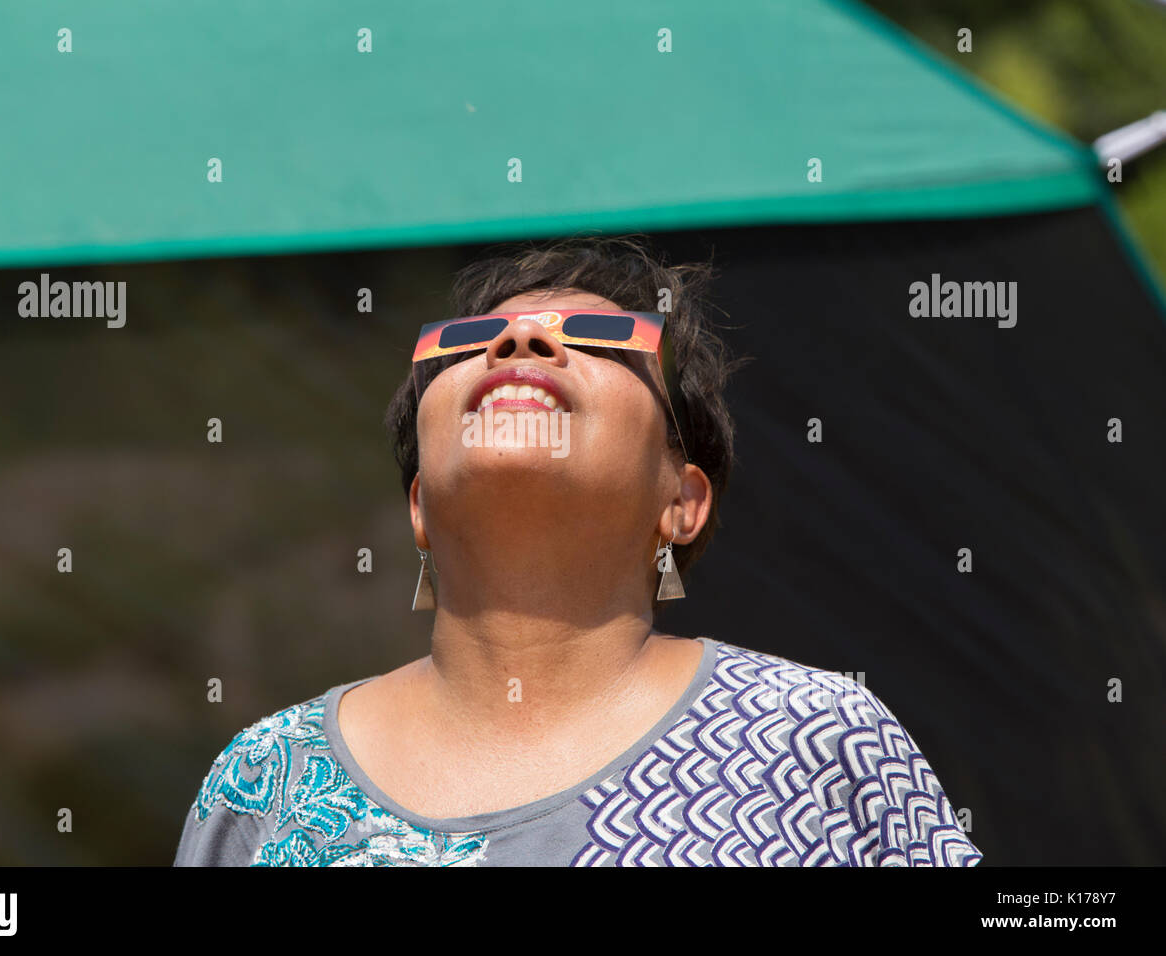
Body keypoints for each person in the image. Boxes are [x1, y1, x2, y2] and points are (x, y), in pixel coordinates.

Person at [174, 235, 983, 867]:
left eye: (600, 337)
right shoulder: (263, 783)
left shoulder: (813, 740)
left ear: (682, 500)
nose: (521, 339)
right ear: (418, 504)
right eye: (468, 340)